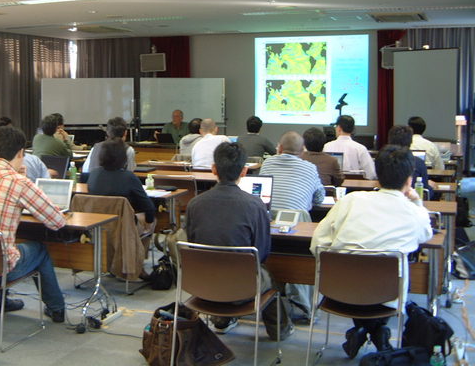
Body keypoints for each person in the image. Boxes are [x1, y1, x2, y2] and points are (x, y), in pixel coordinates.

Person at [310, 145, 432, 357]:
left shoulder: (350, 201)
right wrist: (417, 202)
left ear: (377, 176)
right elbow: (425, 236)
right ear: (409, 180)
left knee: (360, 279)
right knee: (394, 271)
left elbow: (317, 244)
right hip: (387, 296)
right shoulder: (415, 213)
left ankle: (363, 330)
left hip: (338, 291)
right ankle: (377, 333)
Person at [185, 142, 293, 340]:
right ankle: (280, 331)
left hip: (202, 286)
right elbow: (262, 253)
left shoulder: (194, 204)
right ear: (244, 171)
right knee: (269, 277)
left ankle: (222, 319)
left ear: (214, 169)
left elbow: (192, 245)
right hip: (243, 289)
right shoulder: (255, 205)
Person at [0, 126, 67, 320]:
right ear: (20, 153)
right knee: (40, 250)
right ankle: (57, 308)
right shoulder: (19, 182)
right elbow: (57, 222)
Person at [259, 131, 324, 321]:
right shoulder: (310, 168)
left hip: (269, 225)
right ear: (302, 151)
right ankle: (303, 303)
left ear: (279, 148)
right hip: (298, 227)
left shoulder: (268, 163)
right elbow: (319, 198)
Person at [87, 138, 156, 237]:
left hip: (97, 226)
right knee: (152, 220)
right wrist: (148, 223)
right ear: (123, 157)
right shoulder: (129, 177)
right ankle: (138, 246)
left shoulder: (93, 174)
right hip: (123, 227)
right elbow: (149, 208)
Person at [388, 125, 436, 199]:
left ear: (389, 140)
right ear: (410, 142)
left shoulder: (382, 161)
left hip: (386, 200)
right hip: (410, 200)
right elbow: (425, 191)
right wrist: (430, 187)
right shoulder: (418, 162)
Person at [323, 115, 377, 179]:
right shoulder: (360, 148)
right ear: (353, 129)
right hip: (356, 184)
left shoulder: (327, 147)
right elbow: (371, 173)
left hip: (333, 183)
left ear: (339, 128)